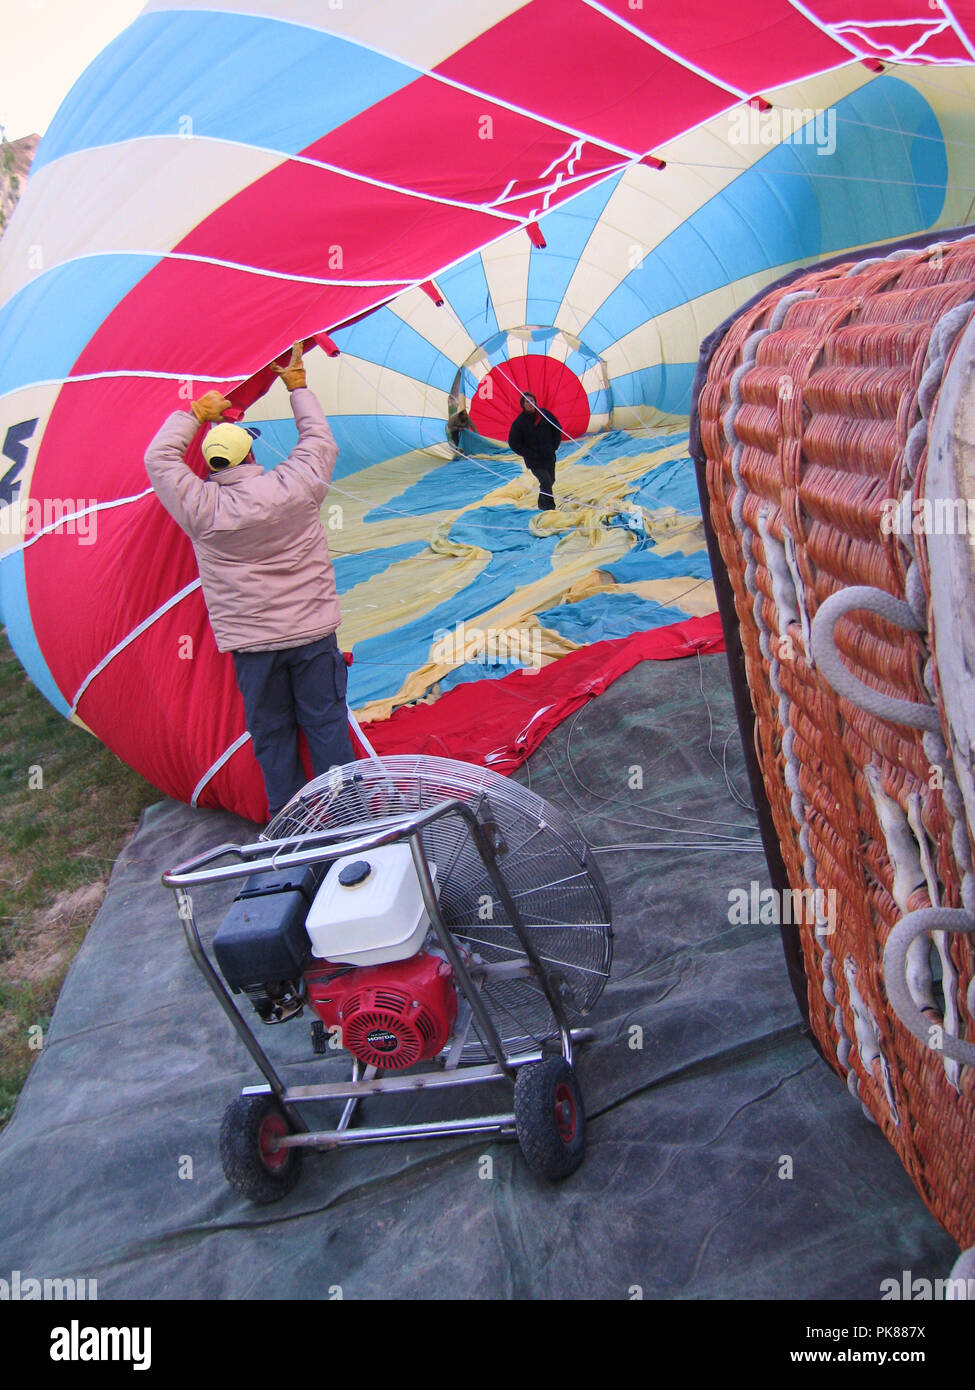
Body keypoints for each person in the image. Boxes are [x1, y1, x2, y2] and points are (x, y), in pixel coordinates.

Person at [144, 343, 353, 822]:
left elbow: (160, 459)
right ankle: (346, 814)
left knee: (272, 731)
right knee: (325, 723)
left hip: (254, 647)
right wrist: (297, 386)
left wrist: (194, 414)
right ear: (251, 450)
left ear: (212, 465)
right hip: (312, 634)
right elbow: (320, 441)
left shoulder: (201, 508)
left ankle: (290, 819)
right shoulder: (295, 487)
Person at [507, 392, 562, 510]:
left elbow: (557, 429)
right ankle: (549, 508)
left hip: (548, 455)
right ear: (523, 404)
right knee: (546, 481)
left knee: (551, 480)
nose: (530, 404)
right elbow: (513, 442)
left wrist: (554, 446)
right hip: (534, 460)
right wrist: (527, 453)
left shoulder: (545, 414)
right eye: (527, 402)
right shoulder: (519, 422)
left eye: (532, 401)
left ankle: (541, 504)